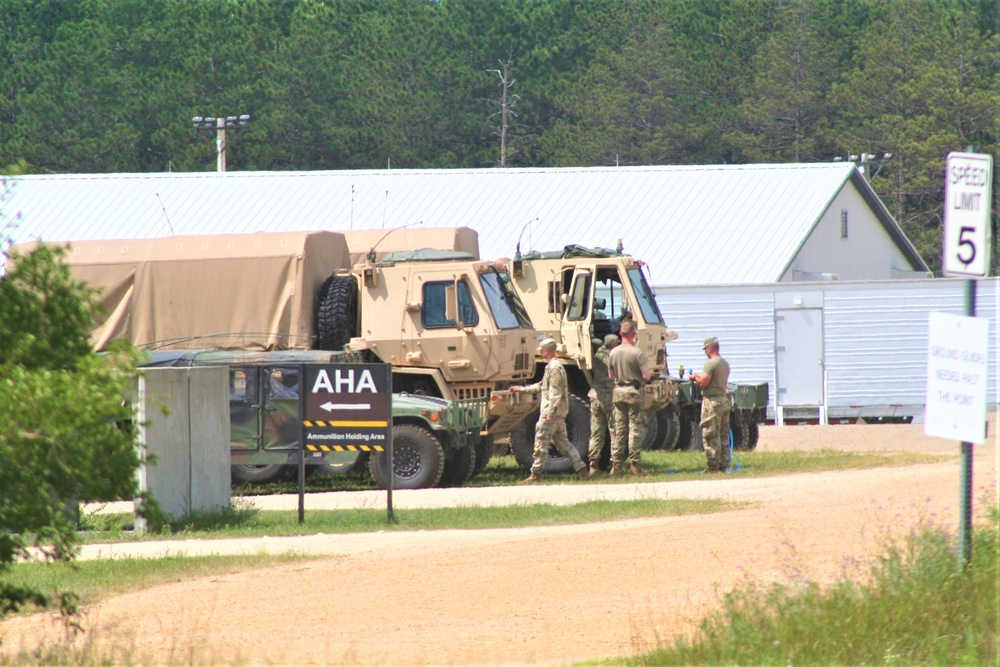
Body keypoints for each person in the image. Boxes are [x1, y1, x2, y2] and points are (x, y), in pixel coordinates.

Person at [510, 338, 590, 483]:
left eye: (541, 349)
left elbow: (555, 393)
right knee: (564, 444)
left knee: (540, 441)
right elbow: (542, 386)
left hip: (551, 413)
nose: (540, 351)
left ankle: (535, 474)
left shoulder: (555, 368)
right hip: (555, 413)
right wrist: (522, 389)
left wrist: (550, 414)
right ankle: (582, 470)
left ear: (546, 350)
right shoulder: (551, 367)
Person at [608, 319, 651, 475]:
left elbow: (611, 375)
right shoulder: (637, 352)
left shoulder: (613, 352)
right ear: (633, 334)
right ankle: (635, 465)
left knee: (619, 430)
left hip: (618, 393)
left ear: (620, 334)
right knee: (634, 430)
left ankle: (616, 465)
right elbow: (646, 376)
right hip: (634, 393)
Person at [688, 337, 731, 473]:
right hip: (724, 400)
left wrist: (695, 377)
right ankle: (723, 465)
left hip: (712, 402)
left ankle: (713, 466)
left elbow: (703, 383)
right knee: (723, 434)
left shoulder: (710, 364)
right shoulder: (724, 363)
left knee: (711, 434)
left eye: (705, 349)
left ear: (709, 348)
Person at [586, 334, 620, 475]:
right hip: (610, 398)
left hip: (595, 397)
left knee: (596, 433)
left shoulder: (597, 355)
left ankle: (593, 465)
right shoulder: (613, 357)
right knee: (615, 432)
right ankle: (615, 466)